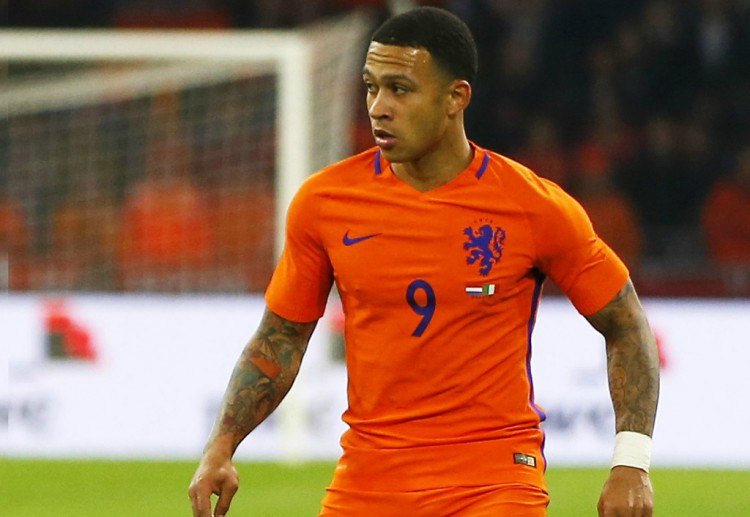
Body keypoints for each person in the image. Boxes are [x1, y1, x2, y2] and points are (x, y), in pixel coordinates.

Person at [189, 7, 659, 517]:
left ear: (456, 97)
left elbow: (626, 323)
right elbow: (280, 338)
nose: (378, 108)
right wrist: (221, 445)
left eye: (400, 89)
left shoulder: (533, 206)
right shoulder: (324, 204)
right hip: (368, 482)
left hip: (494, 483)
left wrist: (630, 462)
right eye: (371, 88)